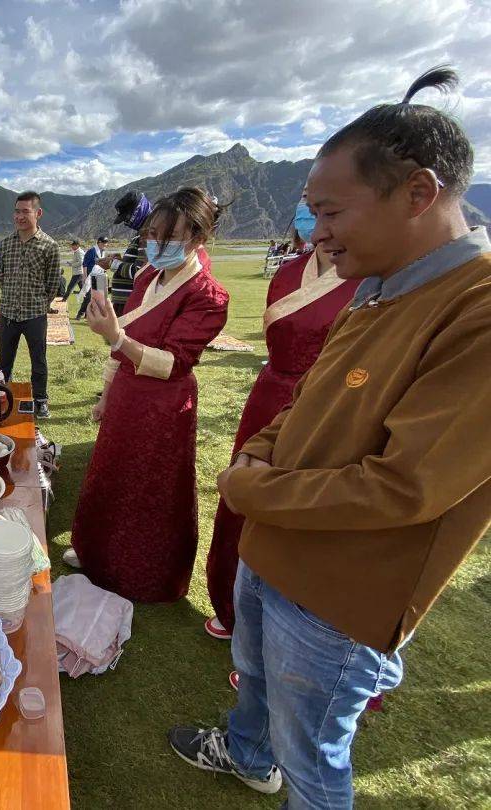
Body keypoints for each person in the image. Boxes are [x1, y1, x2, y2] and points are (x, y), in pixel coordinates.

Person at [170, 67, 491, 808]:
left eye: (331, 212)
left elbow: (404, 485)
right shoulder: (378, 289)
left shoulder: (474, 309)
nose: (317, 233)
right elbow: (308, 398)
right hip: (274, 549)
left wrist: (252, 486)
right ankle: (247, 753)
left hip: (339, 602)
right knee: (254, 690)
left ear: (418, 193)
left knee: (315, 763)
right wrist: (259, 454)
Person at [203, 187, 360, 656]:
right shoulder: (290, 273)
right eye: (308, 207)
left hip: (327, 409)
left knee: (295, 510)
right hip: (270, 393)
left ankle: (285, 639)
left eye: (324, 206)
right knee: (244, 497)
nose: (313, 217)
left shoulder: (369, 281)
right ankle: (233, 607)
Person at [66, 188, 229, 598]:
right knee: (110, 476)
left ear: (197, 238)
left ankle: (141, 575)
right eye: (151, 232)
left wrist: (116, 338)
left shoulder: (207, 295)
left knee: (148, 490)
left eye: (166, 236)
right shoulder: (147, 277)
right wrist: (105, 392)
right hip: (126, 394)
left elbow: (174, 362)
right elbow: (121, 342)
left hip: (164, 406)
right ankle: (96, 553)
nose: (154, 242)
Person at [0, 190, 62, 418]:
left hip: (35, 315)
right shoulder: (4, 245)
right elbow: (1, 277)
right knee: (4, 361)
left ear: (38, 213)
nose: (19, 216)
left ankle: (41, 400)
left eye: (25, 211)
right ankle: (3, 395)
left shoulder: (49, 246)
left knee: (39, 360)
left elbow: (53, 283)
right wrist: (13, 298)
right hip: (8, 314)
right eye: (17, 211)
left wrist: (39, 303)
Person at [75, 235, 109, 319]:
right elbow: (85, 264)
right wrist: (85, 276)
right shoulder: (92, 251)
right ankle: (80, 313)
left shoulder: (103, 252)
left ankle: (91, 314)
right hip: (91, 276)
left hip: (100, 276)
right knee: (89, 297)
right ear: (99, 243)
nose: (105, 245)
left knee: (99, 297)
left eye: (106, 244)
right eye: (104, 243)